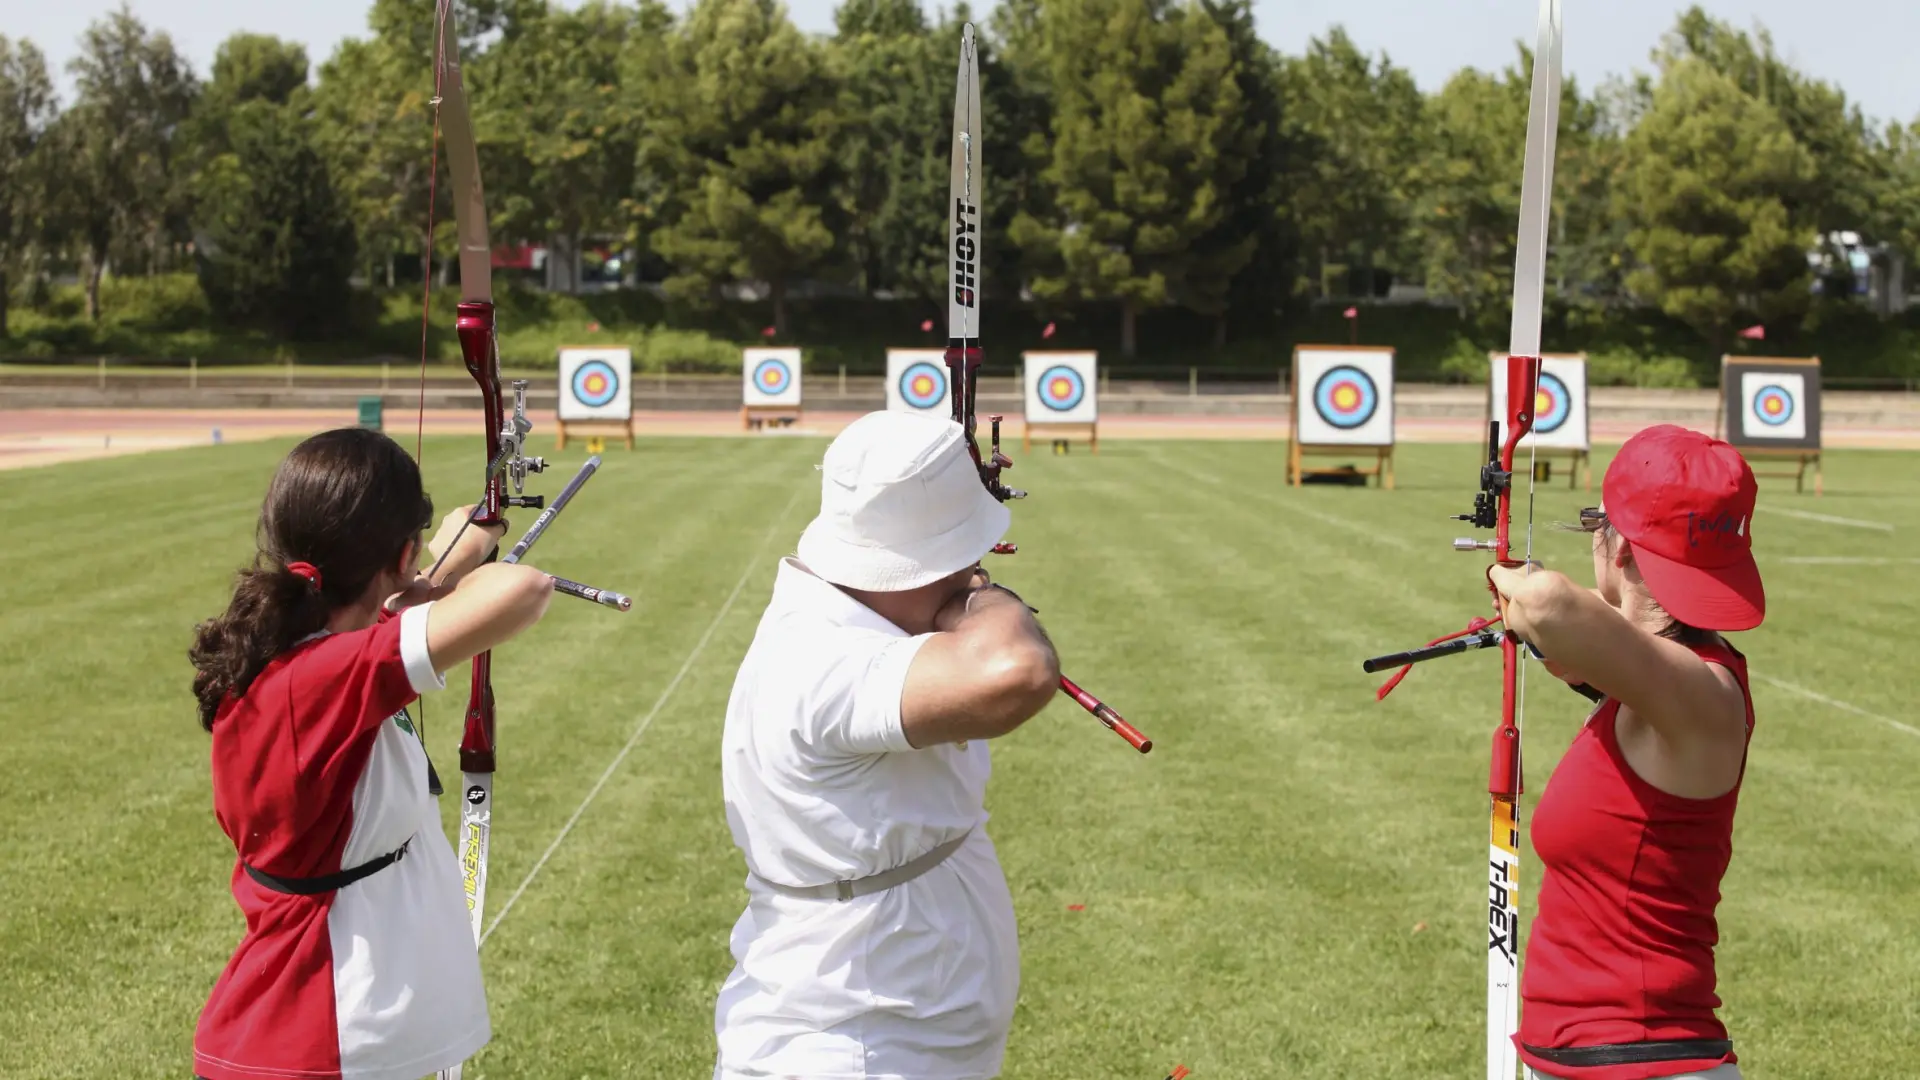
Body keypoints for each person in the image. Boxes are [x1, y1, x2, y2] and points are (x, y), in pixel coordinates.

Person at [188, 427, 554, 1080]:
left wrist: (454, 550)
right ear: (400, 555)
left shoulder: (305, 659)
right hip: (322, 1040)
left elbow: (394, 610)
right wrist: (432, 588)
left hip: (320, 1037)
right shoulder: (321, 679)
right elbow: (524, 591)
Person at [713, 410, 1063, 1080]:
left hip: (900, 1019)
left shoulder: (862, 619)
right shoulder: (821, 656)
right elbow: (1016, 672)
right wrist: (981, 598)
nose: (973, 567)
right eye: (963, 556)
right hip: (851, 1040)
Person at [1488, 424, 1765, 1080]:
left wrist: (1507, 576)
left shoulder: (1703, 696)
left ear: (1616, 546)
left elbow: (1550, 605)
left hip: (1646, 1062)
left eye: (1596, 523)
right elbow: (1580, 654)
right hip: (1591, 1058)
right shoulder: (1655, 689)